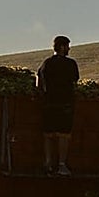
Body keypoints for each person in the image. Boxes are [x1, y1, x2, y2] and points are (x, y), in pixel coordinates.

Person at [35, 35, 79, 176]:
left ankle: (48, 163)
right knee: (63, 135)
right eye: (67, 46)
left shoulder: (45, 63)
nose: (69, 49)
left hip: (48, 103)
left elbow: (38, 83)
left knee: (48, 134)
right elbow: (74, 82)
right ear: (62, 47)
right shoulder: (70, 64)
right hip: (64, 104)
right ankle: (61, 164)